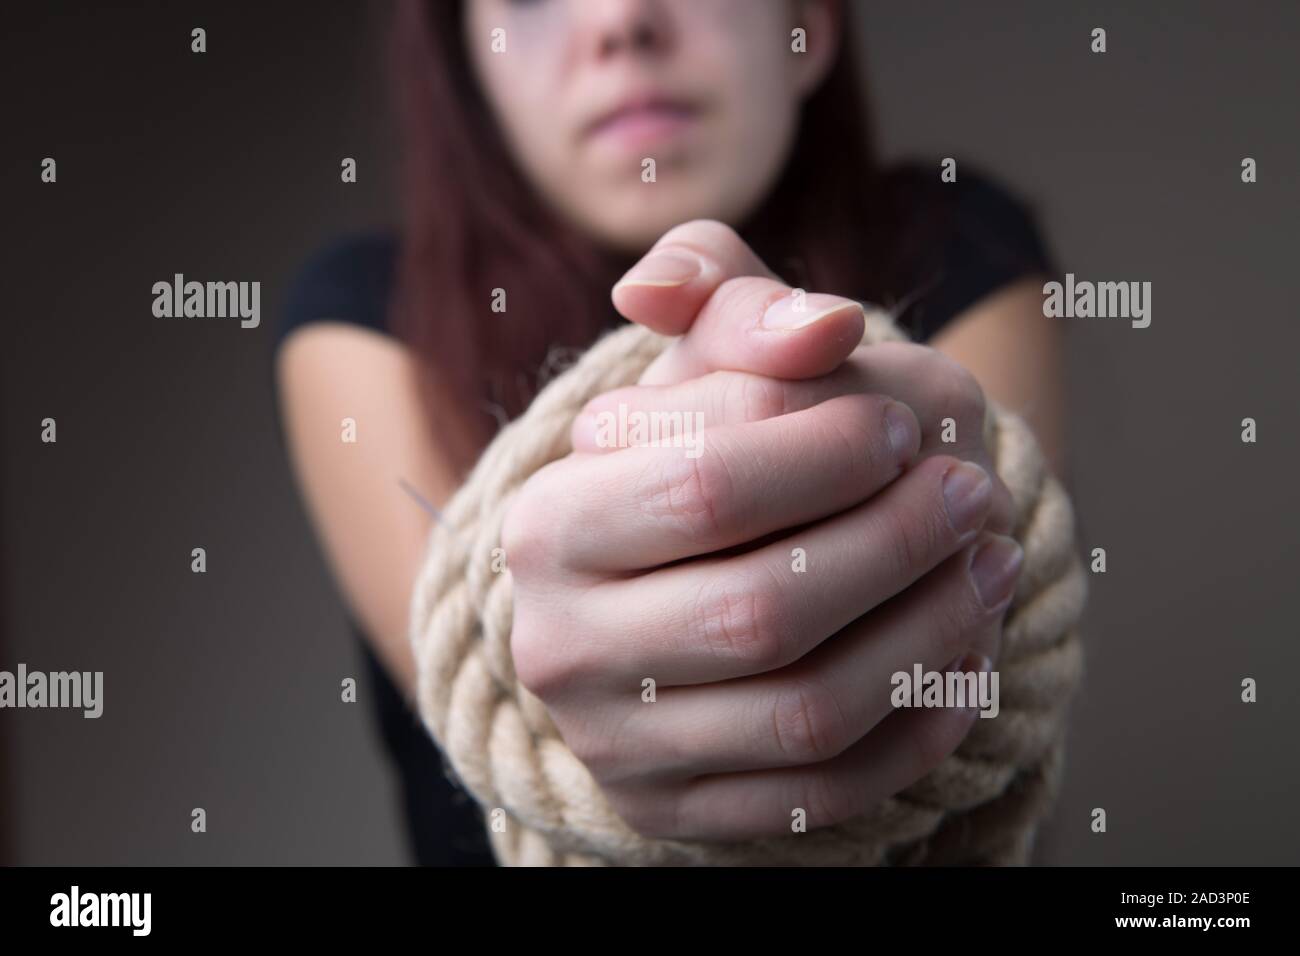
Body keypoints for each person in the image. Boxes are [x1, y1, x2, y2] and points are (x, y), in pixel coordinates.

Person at [274, 0, 1065, 865]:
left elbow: (998, 588)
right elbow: (503, 701)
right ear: (475, 68)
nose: (620, 18)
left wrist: (819, 403)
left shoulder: (963, 243)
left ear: (808, 30)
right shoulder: (363, 317)